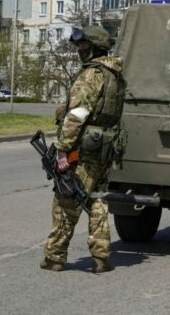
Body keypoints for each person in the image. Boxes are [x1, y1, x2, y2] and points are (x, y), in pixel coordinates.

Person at [40, 26, 126, 274]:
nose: (79, 50)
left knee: (67, 199)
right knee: (98, 200)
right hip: (104, 148)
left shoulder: (92, 75)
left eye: (82, 46)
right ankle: (101, 257)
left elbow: (77, 114)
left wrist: (62, 150)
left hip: (84, 150)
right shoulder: (115, 73)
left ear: (93, 48)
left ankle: (55, 256)